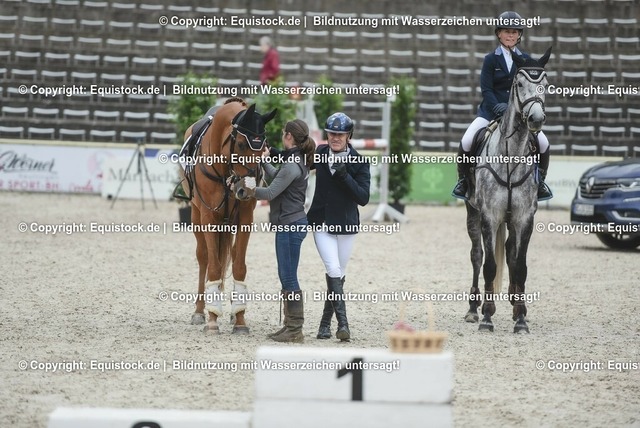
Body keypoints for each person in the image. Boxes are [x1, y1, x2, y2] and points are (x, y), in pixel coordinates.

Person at [452, 10, 552, 201]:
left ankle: (541, 182)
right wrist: (497, 107)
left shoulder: (526, 60)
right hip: (490, 113)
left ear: (519, 35)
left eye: (514, 32)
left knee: (544, 143)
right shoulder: (491, 59)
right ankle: (463, 181)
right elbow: (486, 89)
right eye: (507, 31)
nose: (510, 35)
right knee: (467, 140)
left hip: (519, 116)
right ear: (499, 33)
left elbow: (530, 88)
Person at [235, 119, 315, 343]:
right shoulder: (297, 159)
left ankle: (295, 329)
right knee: (286, 274)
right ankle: (290, 325)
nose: (282, 136)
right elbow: (278, 178)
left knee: (288, 276)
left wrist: (245, 188)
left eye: (282, 133)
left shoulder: (291, 164)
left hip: (290, 225)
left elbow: (270, 192)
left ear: (289, 136)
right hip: (292, 223)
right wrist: (264, 160)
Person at [307, 112, 371, 342]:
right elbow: (297, 160)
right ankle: (343, 325)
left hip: (346, 225)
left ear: (348, 136)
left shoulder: (360, 162)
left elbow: (363, 197)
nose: (335, 138)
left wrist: (345, 176)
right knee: (333, 270)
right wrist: (272, 154)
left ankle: (324, 324)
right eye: (332, 133)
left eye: (340, 134)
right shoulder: (320, 152)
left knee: (339, 276)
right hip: (322, 223)